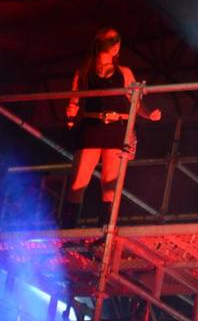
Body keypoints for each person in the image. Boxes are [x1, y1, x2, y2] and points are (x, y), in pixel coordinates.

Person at [60, 27, 161, 228]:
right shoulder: (83, 73)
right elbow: (74, 101)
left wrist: (148, 114)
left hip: (116, 129)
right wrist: (71, 113)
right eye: (112, 41)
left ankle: (105, 232)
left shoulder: (124, 72)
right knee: (79, 180)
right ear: (101, 44)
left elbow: (135, 102)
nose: (116, 46)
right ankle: (68, 229)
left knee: (110, 183)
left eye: (117, 42)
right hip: (91, 127)